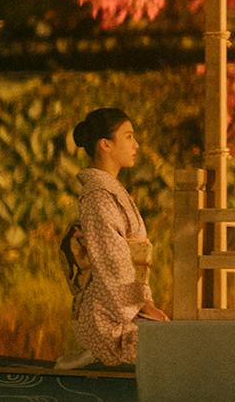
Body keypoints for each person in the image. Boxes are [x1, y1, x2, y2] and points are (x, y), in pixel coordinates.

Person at [58, 107, 166, 368]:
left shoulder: (110, 191)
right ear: (105, 144)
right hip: (107, 313)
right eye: (128, 137)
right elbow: (113, 262)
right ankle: (96, 350)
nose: (136, 145)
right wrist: (142, 306)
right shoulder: (98, 197)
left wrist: (145, 302)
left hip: (121, 304)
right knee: (168, 352)